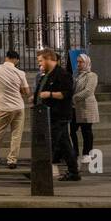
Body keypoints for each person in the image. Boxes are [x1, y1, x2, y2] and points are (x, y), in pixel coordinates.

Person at [34, 49, 80, 181]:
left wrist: (49, 94)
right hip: (47, 114)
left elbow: (67, 93)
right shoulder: (46, 75)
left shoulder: (62, 74)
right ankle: (73, 172)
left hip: (58, 115)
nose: (40, 63)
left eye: (41, 60)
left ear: (49, 59)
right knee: (64, 144)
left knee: (49, 144)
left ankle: (40, 172)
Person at [0, 50, 30, 169]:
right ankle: (12, 160)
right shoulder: (20, 73)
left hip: (3, 107)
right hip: (18, 107)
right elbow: (26, 91)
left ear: (6, 57)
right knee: (16, 135)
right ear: (16, 60)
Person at [70, 54, 99, 163]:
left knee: (86, 131)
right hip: (75, 107)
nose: (78, 64)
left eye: (81, 62)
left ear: (86, 62)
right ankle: (74, 152)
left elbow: (88, 91)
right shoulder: (76, 75)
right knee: (72, 130)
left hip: (86, 106)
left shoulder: (91, 75)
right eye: (77, 62)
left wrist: (74, 97)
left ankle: (87, 153)